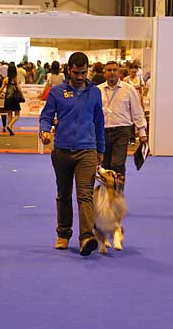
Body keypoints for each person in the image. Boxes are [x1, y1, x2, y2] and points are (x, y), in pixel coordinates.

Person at [39, 52, 105, 257]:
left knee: (85, 194)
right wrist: (44, 131)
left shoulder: (95, 93)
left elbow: (99, 122)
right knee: (64, 194)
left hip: (87, 149)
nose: (80, 77)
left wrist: (101, 148)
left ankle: (86, 237)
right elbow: (46, 116)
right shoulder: (56, 92)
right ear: (69, 70)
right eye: (76, 72)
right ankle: (63, 234)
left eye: (84, 73)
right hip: (61, 150)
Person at [98, 61, 147, 185]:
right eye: (109, 70)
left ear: (119, 72)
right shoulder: (98, 90)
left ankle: (118, 193)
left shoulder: (128, 89)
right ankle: (107, 193)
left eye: (115, 70)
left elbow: (137, 111)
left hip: (122, 130)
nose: (112, 73)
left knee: (118, 164)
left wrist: (142, 132)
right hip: (102, 131)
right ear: (105, 73)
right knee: (105, 165)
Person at [0, 63, 22, 136]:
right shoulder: (16, 79)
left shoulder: (6, 79)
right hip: (14, 99)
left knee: (9, 114)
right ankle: (10, 126)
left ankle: (10, 128)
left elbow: (1, 89)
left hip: (7, 98)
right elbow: (19, 89)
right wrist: (22, 96)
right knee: (17, 114)